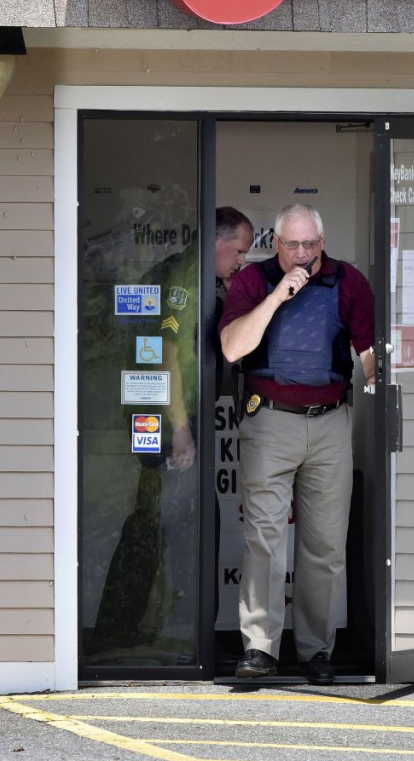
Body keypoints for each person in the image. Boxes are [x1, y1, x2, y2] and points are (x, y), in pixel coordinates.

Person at [219, 203, 374, 685]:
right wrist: (277, 298)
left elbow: (368, 355)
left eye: (312, 244)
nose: (304, 254)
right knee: (264, 539)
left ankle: (316, 650)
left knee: (325, 544)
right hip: (269, 422)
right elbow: (231, 348)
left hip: (330, 424)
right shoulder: (251, 282)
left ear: (323, 242)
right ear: (276, 244)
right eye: (293, 245)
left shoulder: (350, 283)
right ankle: (260, 649)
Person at [88, 206, 253, 660]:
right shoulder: (185, 281)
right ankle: (181, 639)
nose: (242, 260)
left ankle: (126, 627)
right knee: (185, 526)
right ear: (218, 242)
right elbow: (166, 355)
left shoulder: (185, 273)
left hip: (156, 416)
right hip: (169, 421)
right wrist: (182, 431)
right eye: (239, 250)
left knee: (154, 520)